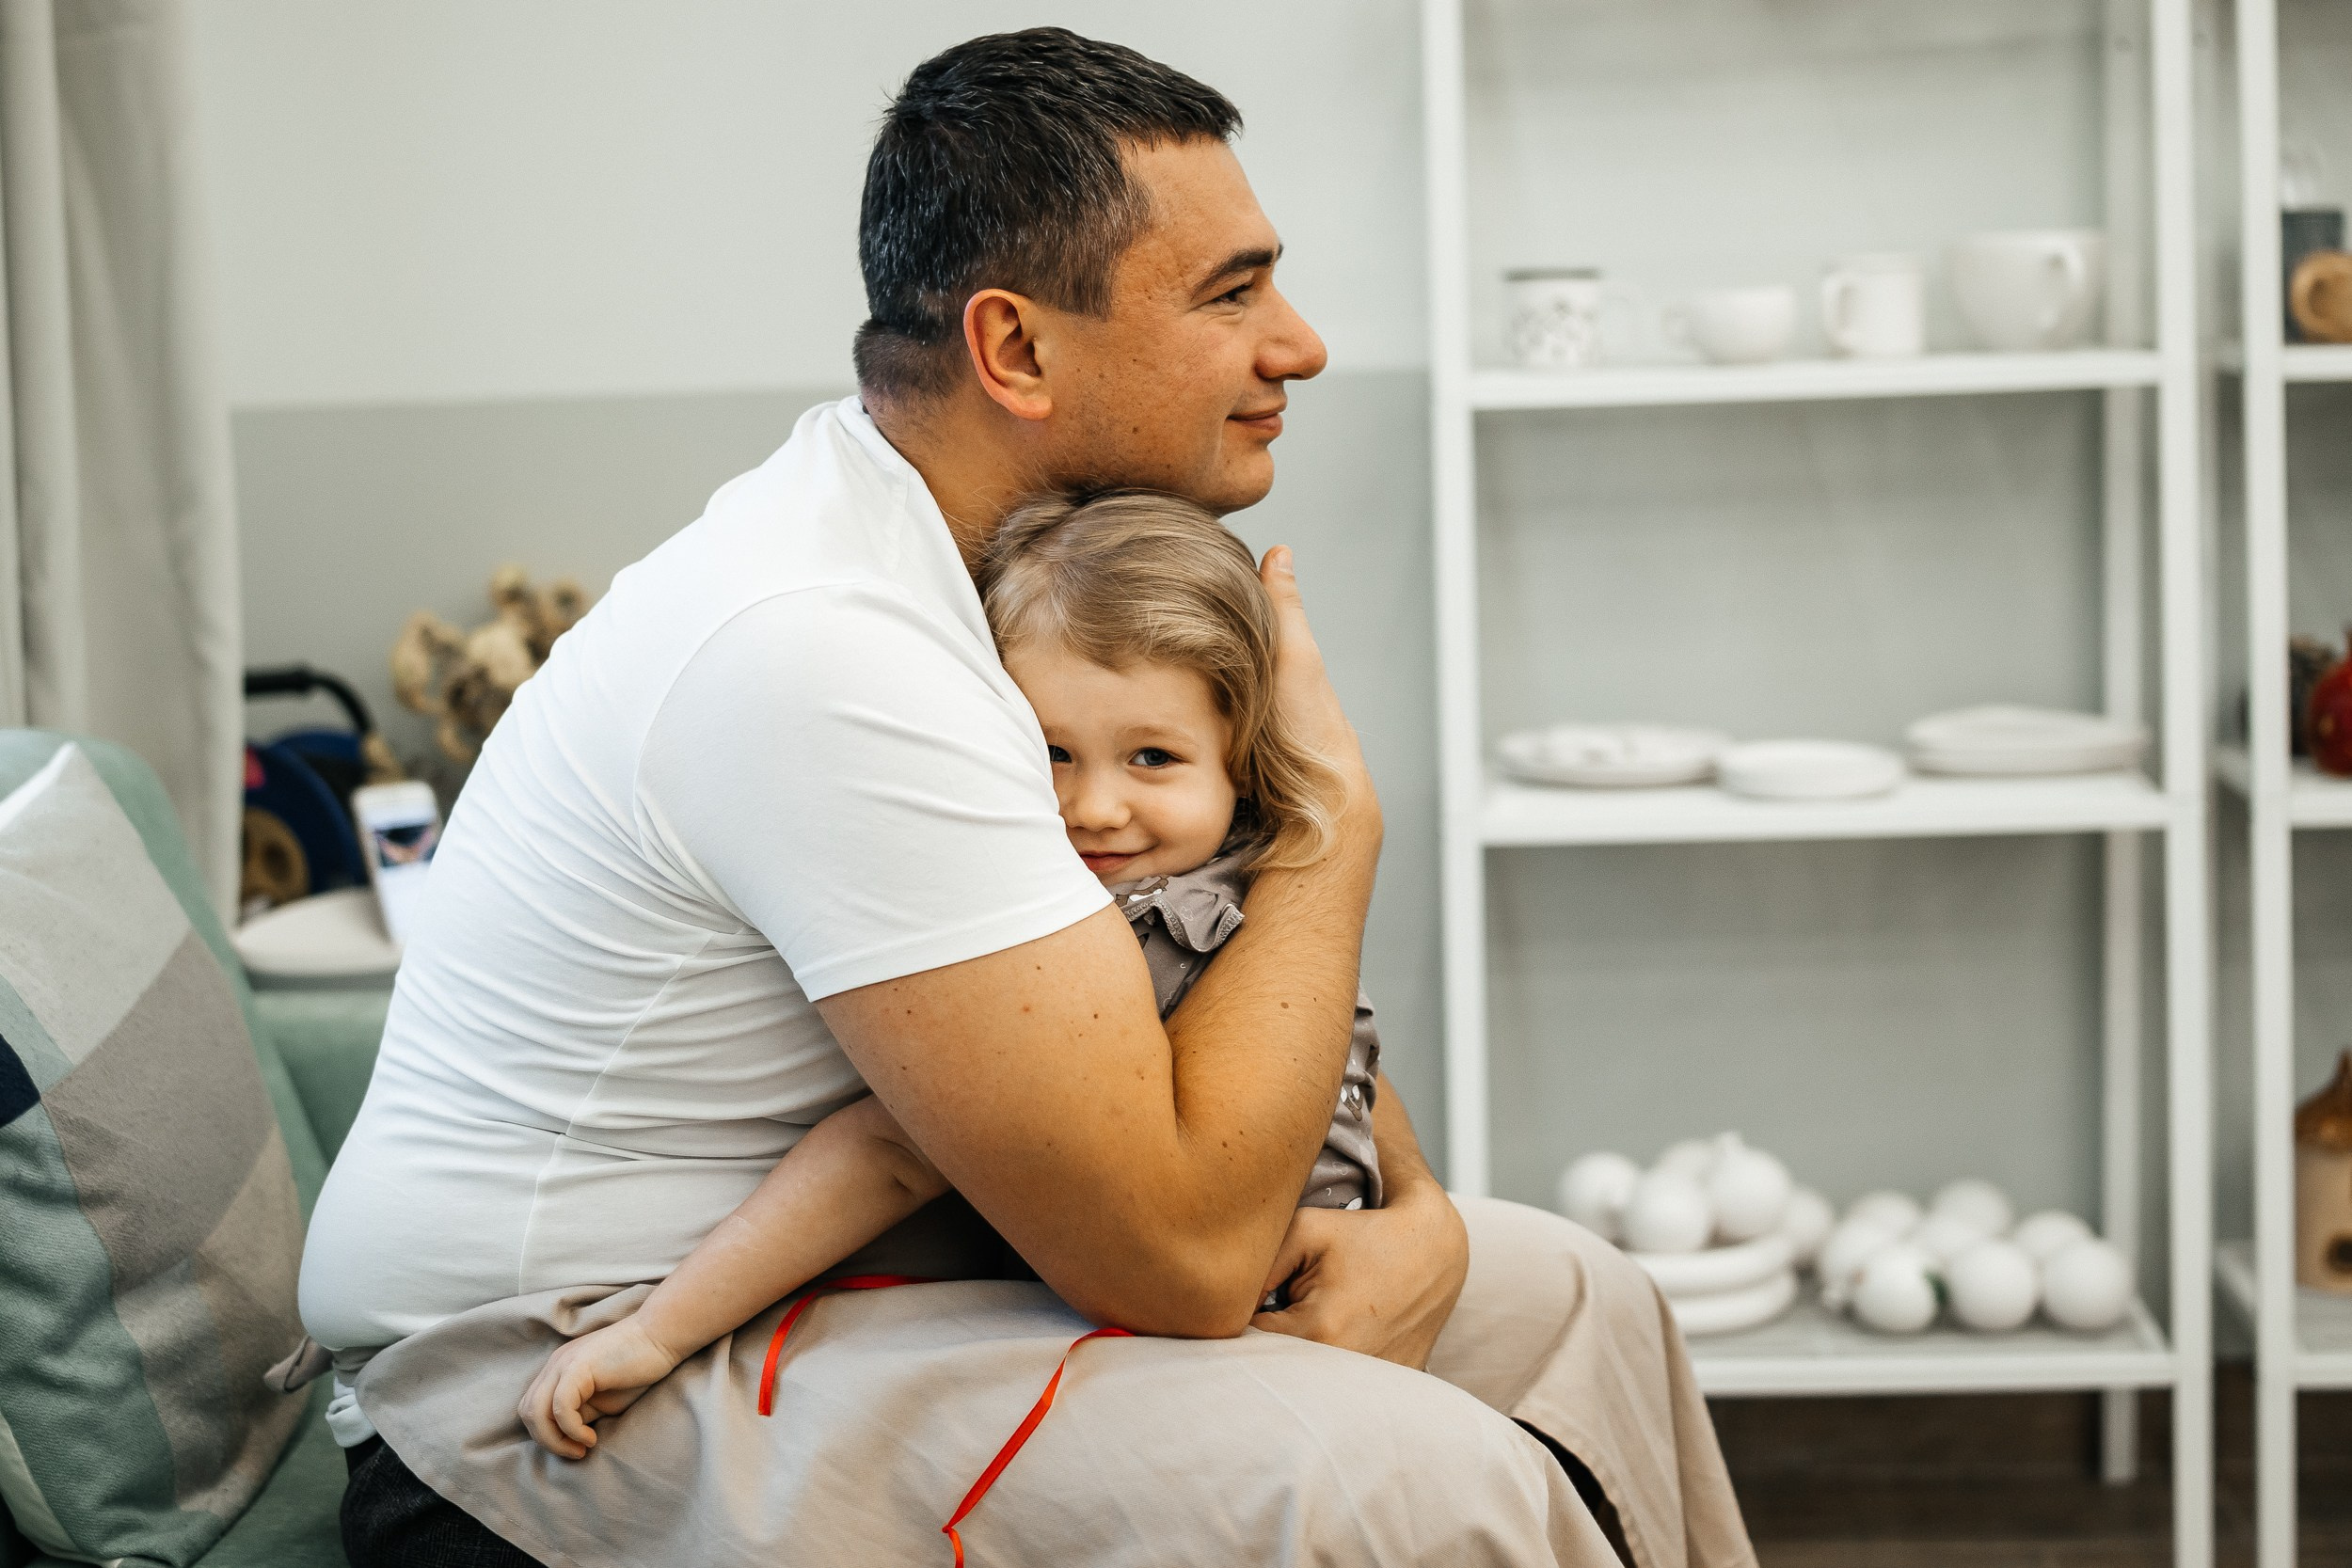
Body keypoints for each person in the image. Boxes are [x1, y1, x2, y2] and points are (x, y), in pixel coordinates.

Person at [300, 27, 1756, 1568]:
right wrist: (1337, 829)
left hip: (867, 1268)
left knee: (1580, 1297)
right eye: (1232, 293)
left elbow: (1194, 988)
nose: (1303, 343)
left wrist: (1422, 1212)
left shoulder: (997, 584)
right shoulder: (828, 651)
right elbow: (1184, 1258)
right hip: (537, 1397)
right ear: (1016, 350)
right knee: (1410, 1481)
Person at [512, 491, 1387, 1460]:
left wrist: (1419, 1224)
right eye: (1048, 750)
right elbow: (896, 1149)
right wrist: (659, 1327)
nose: (1095, 806)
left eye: (1153, 756)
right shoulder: (1065, 923)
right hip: (1190, 1333)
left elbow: (1337, 1055)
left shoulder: (1247, 905)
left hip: (1296, 1309)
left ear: (1240, 763)